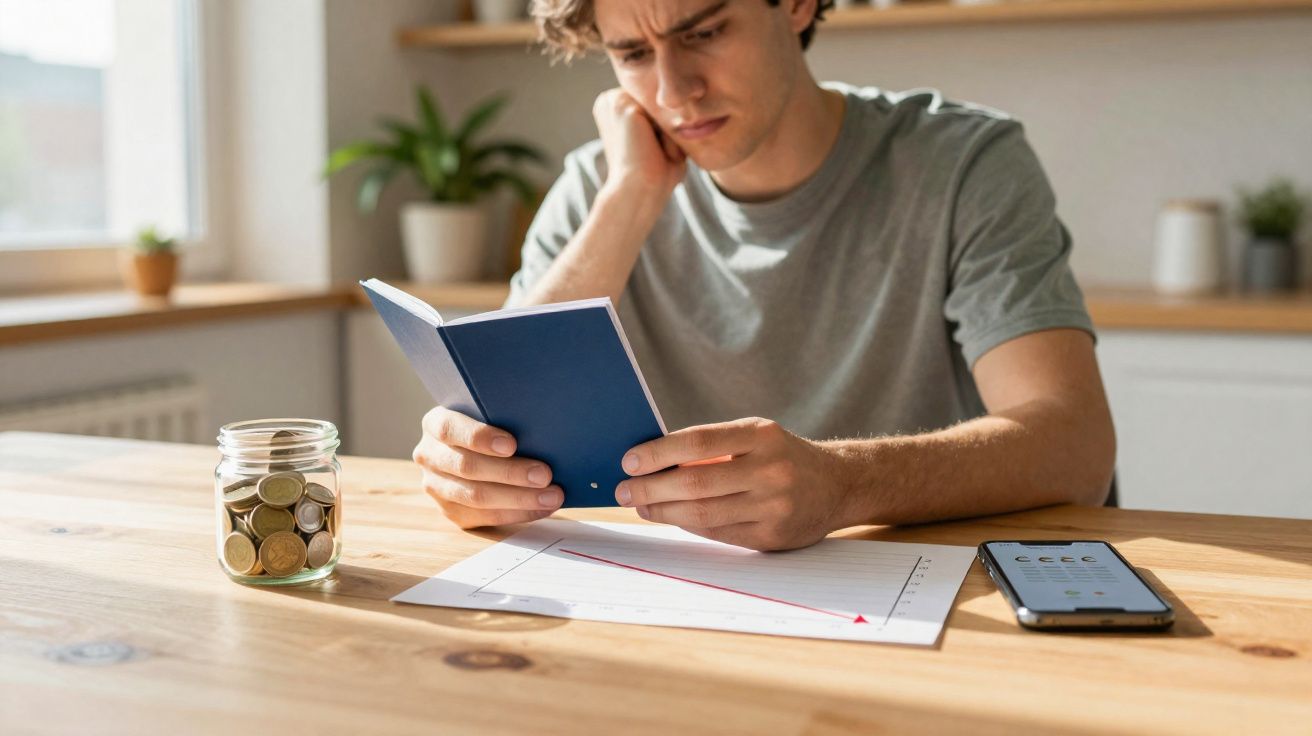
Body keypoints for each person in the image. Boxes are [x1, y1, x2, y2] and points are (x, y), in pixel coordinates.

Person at [411, 0, 1116, 551]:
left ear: (797, 5)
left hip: (932, 600)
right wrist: (631, 198)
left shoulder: (964, 164)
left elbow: (1074, 444)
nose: (673, 90)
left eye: (704, 33)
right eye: (631, 54)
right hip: (702, 605)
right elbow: (505, 429)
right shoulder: (600, 186)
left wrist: (845, 486)